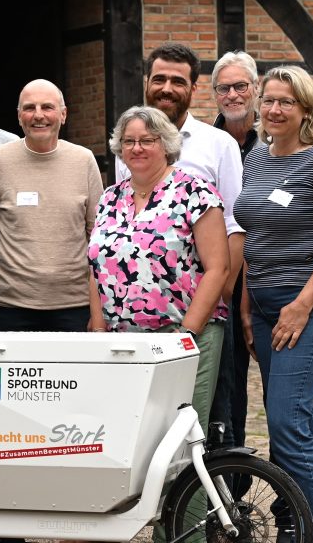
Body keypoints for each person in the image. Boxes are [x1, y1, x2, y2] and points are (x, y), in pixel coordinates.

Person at [233, 65, 313, 543]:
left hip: (310, 307)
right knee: (294, 422)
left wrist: (302, 305)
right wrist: (247, 306)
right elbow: (252, 236)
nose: (274, 109)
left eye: (286, 101)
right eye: (268, 100)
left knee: (288, 423)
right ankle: (298, 528)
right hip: (264, 309)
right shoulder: (258, 161)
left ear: (306, 108)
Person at [88, 105, 229, 409]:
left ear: (166, 145)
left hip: (183, 334)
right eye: (129, 141)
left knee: (179, 433)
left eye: (147, 140)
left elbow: (219, 268)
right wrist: (98, 330)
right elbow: (96, 266)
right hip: (121, 344)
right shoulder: (109, 198)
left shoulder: (196, 192)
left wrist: (186, 334)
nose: (136, 148)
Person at [0, 79, 103, 331]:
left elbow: (98, 239)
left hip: (74, 306)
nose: (38, 115)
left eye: (47, 107)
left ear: (63, 114)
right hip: (8, 307)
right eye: (29, 108)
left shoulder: (84, 161)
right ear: (19, 116)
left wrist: (97, 309)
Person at [207, 51, 264, 453]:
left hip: (268, 278)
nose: (232, 94)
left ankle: (287, 494)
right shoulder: (203, 144)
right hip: (221, 279)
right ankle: (233, 483)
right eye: (223, 87)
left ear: (255, 88)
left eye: (240, 85)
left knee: (282, 396)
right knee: (226, 384)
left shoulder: (278, 141)